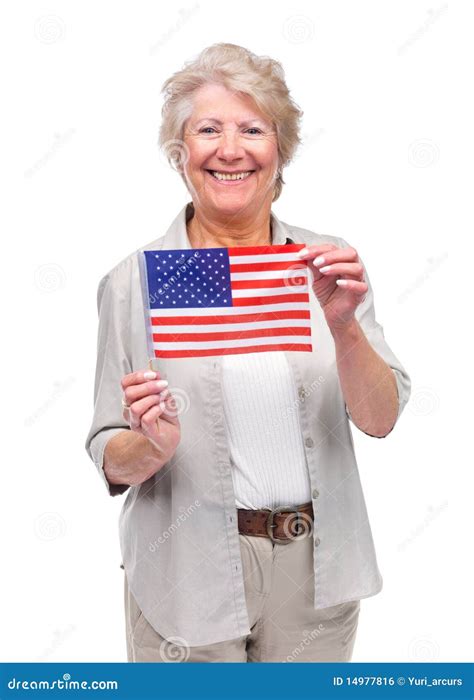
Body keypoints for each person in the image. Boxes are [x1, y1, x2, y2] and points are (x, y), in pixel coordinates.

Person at [85, 43, 411, 663]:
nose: (230, 150)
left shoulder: (326, 265)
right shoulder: (138, 281)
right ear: (179, 153)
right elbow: (108, 450)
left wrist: (343, 327)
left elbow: (380, 419)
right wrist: (150, 445)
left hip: (317, 575)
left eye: (252, 130)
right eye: (208, 129)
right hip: (186, 572)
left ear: (279, 151)